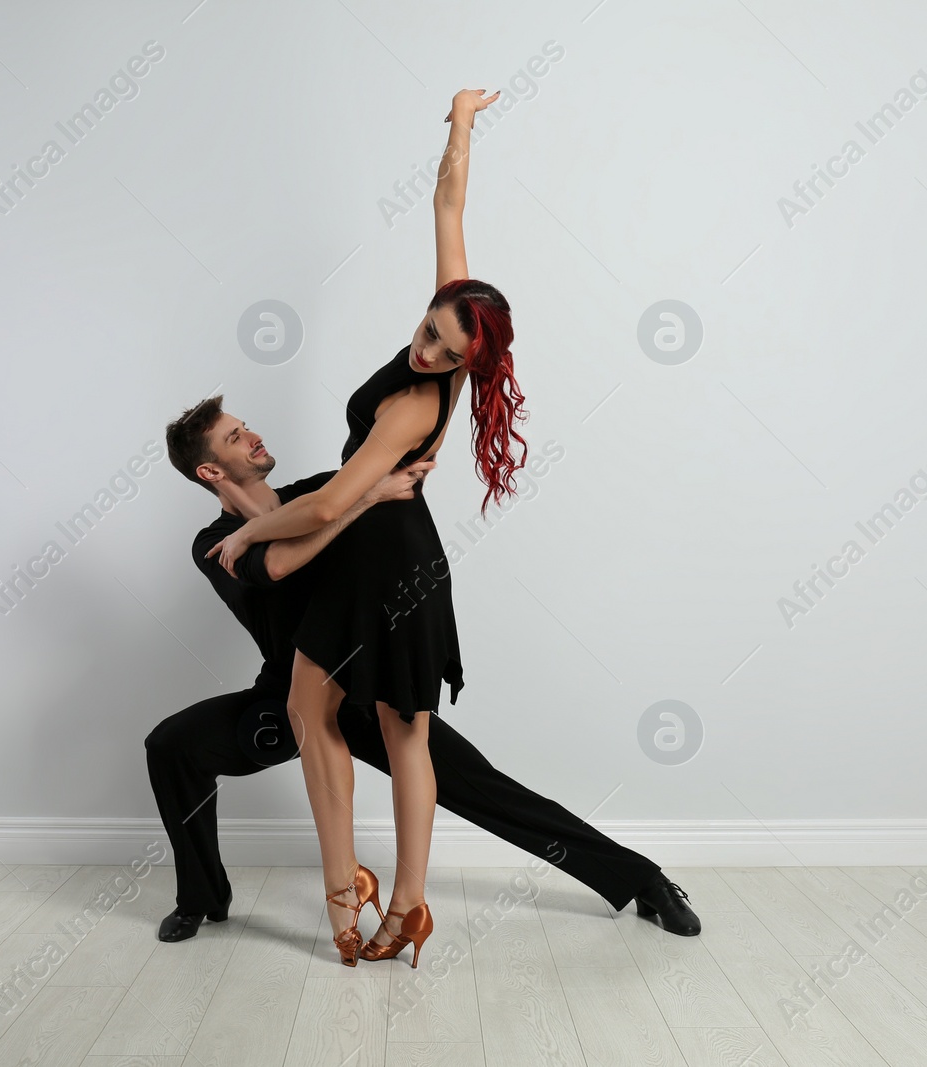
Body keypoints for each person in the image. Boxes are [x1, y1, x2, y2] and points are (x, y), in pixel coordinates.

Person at [151, 396, 702, 948]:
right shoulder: (215, 544)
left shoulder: (322, 493)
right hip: (291, 703)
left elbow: (402, 475)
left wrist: (439, 398)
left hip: (375, 692)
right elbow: (272, 568)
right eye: (235, 437)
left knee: (486, 790)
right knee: (172, 746)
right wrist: (365, 498)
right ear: (211, 471)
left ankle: (645, 880)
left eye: (247, 425)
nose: (253, 436)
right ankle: (201, 898)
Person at [205, 87, 529, 968]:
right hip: (379, 561)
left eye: (445, 351)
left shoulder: (412, 401)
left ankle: (403, 904)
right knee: (321, 712)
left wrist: (243, 541)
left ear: (470, 364)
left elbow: (331, 505)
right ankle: (349, 889)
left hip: (390, 567)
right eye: (428, 331)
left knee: (398, 730)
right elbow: (449, 205)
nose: (425, 349)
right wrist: (462, 121)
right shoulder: (452, 323)